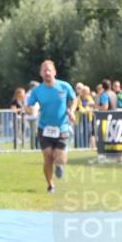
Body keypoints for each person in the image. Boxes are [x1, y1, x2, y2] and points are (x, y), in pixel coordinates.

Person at [25, 59, 77, 194]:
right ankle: (50, 185)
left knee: (59, 156)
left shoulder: (64, 86)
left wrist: (71, 110)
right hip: (44, 127)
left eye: (49, 70)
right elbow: (30, 105)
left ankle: (59, 164)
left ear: (54, 72)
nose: (47, 73)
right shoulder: (37, 91)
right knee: (47, 156)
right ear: (41, 73)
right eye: (44, 70)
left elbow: (74, 99)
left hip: (62, 126)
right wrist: (29, 109)